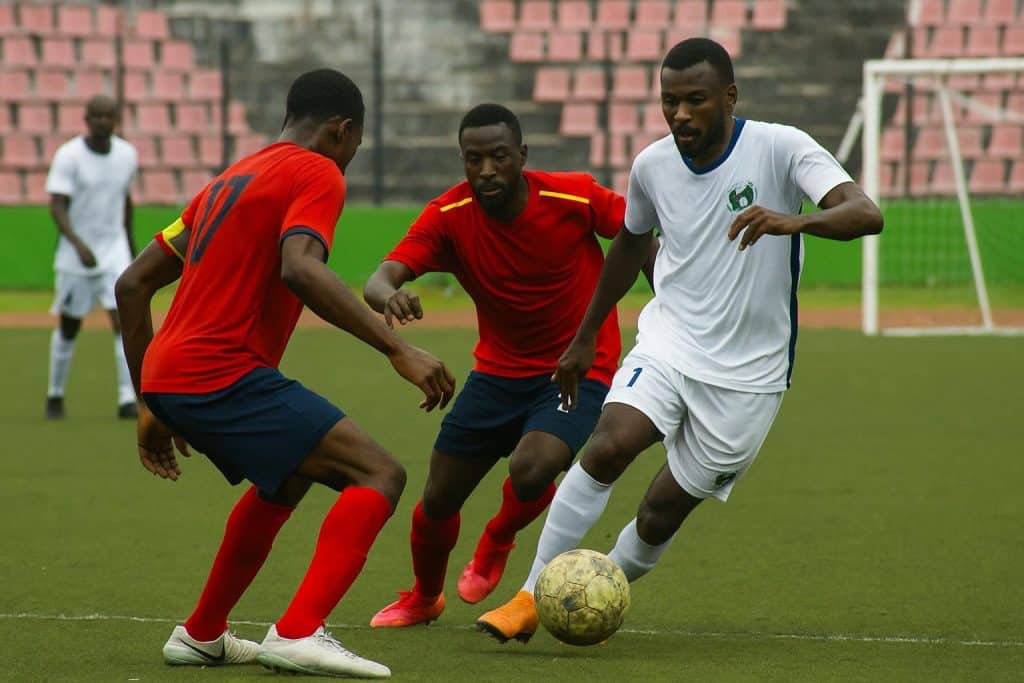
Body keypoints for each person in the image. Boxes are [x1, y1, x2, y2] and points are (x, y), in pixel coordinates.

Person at [477, 37, 884, 643]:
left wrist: (794, 219)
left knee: (659, 512)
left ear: (729, 96)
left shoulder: (782, 147)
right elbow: (632, 242)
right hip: (670, 341)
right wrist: (586, 334)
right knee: (608, 446)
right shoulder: (653, 164)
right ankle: (531, 596)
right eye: (670, 102)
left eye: (695, 100)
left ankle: (590, 588)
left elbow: (865, 212)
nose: (681, 115)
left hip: (750, 375)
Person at [115, 69, 455, 678]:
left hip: (176, 373)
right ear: (341, 130)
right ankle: (299, 633)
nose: (350, 158)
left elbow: (132, 283)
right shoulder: (316, 171)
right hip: (221, 371)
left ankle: (201, 635)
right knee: (378, 473)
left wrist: (152, 400)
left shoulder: (228, 180)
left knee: (287, 478)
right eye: (355, 146)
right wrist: (397, 350)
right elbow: (300, 267)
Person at [363, 104, 655, 629]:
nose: (486, 171)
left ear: (522, 155)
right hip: (497, 373)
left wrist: (668, 301)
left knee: (534, 465)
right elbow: (379, 278)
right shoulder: (449, 216)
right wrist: (390, 295)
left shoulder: (572, 195)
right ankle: (424, 597)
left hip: (578, 366)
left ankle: (498, 535)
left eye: (498, 156)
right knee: (438, 498)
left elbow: (639, 236)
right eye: (473, 159)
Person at [44, 95, 138, 419]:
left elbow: (125, 201)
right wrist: (77, 244)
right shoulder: (69, 156)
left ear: (116, 119)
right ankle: (55, 394)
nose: (102, 121)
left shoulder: (127, 155)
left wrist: (132, 246)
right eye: (96, 116)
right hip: (76, 257)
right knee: (70, 327)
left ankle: (127, 399)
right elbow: (57, 204)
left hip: (114, 251)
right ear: (86, 119)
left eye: (108, 115)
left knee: (123, 323)